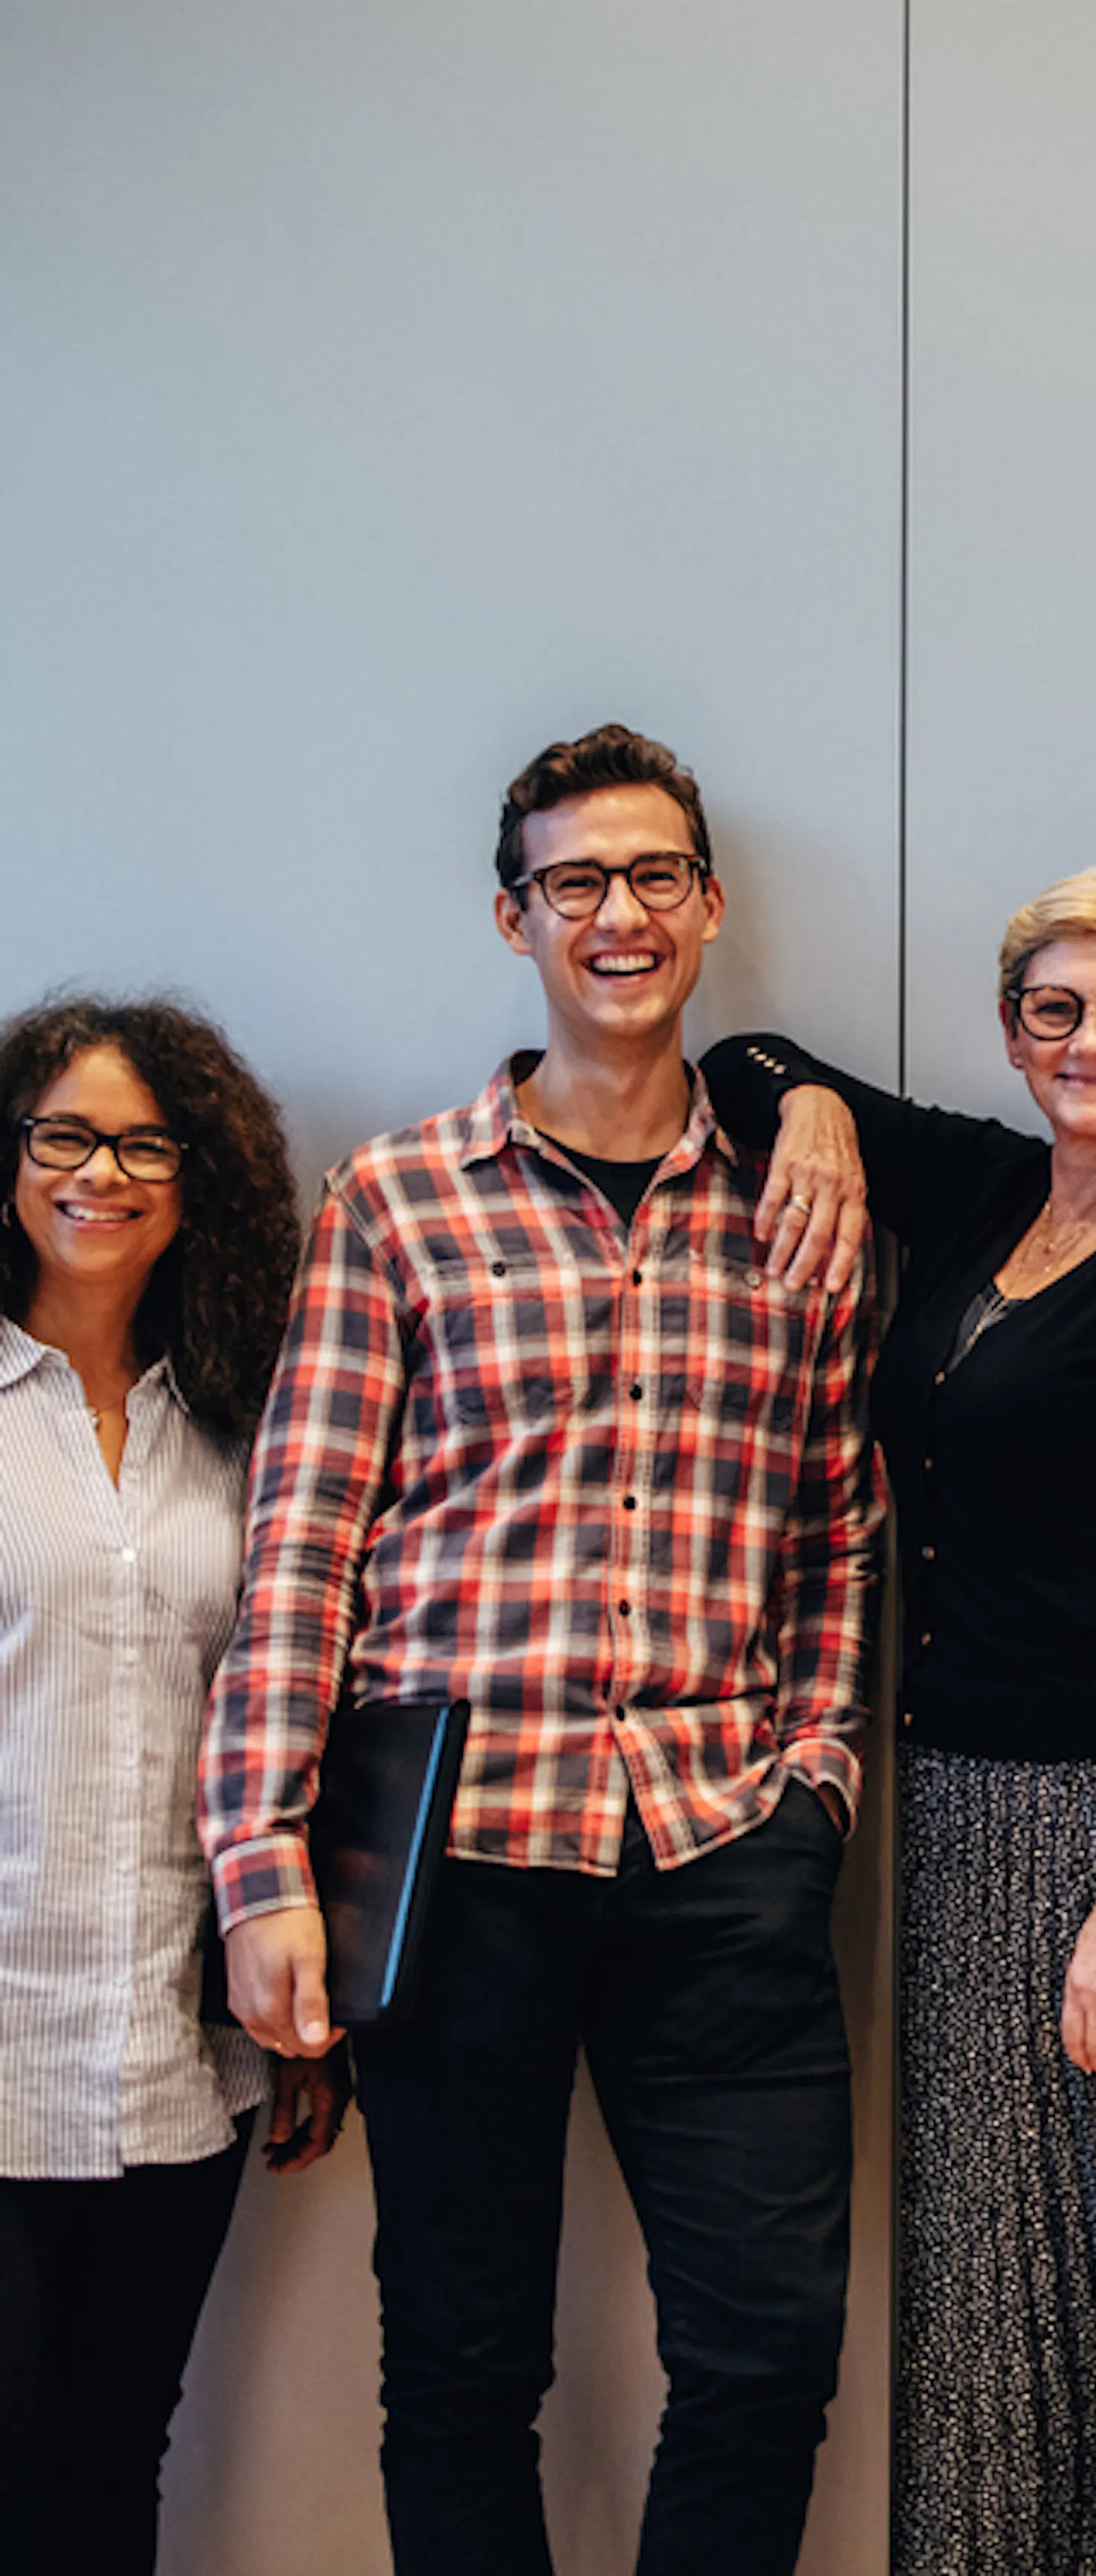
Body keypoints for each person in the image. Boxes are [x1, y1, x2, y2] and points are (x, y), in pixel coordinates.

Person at [200, 724, 879, 2576]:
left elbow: (837, 1528)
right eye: (575, 882)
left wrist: (813, 1771)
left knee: (766, 2353)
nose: (620, 914)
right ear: (515, 920)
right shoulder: (397, 1202)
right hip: (461, 1857)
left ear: (711, 905)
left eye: (656, 875)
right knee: (463, 2370)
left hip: (726, 1851)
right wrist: (262, 1865)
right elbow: (303, 1550)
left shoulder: (797, 1208)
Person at [699, 867, 1096, 2575]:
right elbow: (742, 1059)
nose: (1092, 1042)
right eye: (1055, 1009)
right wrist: (823, 1116)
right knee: (995, 2297)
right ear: (1010, 1029)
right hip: (965, 1816)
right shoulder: (985, 1186)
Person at [0, 995, 345, 2575]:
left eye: (147, 1141)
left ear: (200, 1179)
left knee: (109, 2456)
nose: (104, 1171)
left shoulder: (237, 1419)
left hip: (167, 2042)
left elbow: (281, 1712)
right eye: (65, 1134)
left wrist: (297, 2012)